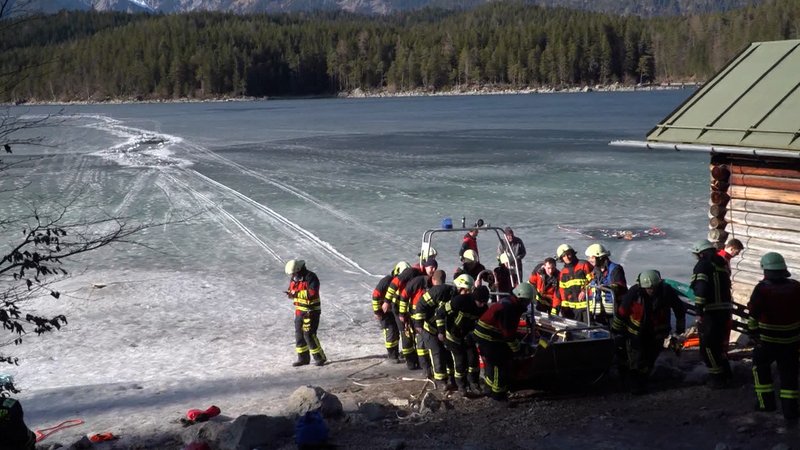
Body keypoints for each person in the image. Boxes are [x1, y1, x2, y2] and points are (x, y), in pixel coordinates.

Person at [611, 270, 686, 394]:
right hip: (636, 334)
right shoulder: (635, 292)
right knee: (636, 360)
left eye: (653, 288)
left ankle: (640, 382)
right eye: (648, 288)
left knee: (650, 359)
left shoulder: (666, 291)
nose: (650, 290)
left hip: (657, 334)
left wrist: (680, 329)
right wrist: (616, 331)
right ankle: (635, 385)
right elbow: (622, 312)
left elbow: (679, 309)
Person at [747, 252, 800, 421]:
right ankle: (790, 410)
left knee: (760, 370)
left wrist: (753, 333)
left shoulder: (762, 289)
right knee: (789, 375)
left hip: (767, 340)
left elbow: (753, 313)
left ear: (766, 270)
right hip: (791, 340)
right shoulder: (796, 286)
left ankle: (765, 404)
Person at [474, 282, 536, 403]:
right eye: (528, 301)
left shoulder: (509, 302)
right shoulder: (510, 308)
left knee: (491, 365)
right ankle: (499, 395)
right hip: (489, 338)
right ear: (522, 298)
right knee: (500, 365)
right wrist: (518, 349)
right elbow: (508, 335)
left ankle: (489, 389)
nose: (529, 304)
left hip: (486, 336)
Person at [689, 239, 733, 388]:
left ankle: (717, 378)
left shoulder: (703, 265)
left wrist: (698, 312)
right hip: (725, 310)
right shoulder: (721, 263)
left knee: (707, 347)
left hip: (710, 312)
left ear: (700, 253)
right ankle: (727, 374)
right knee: (719, 345)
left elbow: (701, 290)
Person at [437, 277, 490, 395]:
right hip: (453, 335)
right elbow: (440, 313)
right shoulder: (460, 301)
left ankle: (474, 384)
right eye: (480, 302)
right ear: (475, 298)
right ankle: (461, 386)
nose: (481, 305)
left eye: (484, 302)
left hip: (468, 335)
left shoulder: (484, 308)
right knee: (460, 361)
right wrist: (441, 331)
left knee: (473, 360)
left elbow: (483, 325)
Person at [413, 269, 456, 387]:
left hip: (436, 328)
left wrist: (418, 325)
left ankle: (446, 380)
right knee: (441, 352)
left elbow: (420, 305)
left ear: (433, 279)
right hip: (433, 328)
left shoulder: (434, 292)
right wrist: (419, 325)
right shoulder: (450, 290)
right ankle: (443, 381)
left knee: (439, 353)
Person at [385, 260, 427, 369]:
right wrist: (386, 301)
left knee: (413, 334)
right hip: (399, 308)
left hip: (407, 309)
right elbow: (396, 287)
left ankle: (417, 359)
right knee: (406, 333)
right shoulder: (408, 275)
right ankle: (410, 362)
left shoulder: (420, 276)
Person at [285, 259, 326, 367]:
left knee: (309, 334)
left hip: (311, 311)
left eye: (293, 273)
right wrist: (290, 294)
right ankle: (303, 358)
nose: (292, 276)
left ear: (299, 270)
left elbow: (312, 293)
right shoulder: (294, 279)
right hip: (299, 311)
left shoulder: (311, 277)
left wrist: (296, 293)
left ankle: (320, 358)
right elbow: (292, 291)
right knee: (299, 334)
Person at [399, 259, 438, 372]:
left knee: (427, 340)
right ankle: (423, 366)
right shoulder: (418, 281)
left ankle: (428, 366)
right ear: (425, 267)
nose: (433, 270)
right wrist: (402, 313)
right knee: (419, 341)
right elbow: (404, 296)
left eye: (435, 268)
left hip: (429, 316)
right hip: (415, 315)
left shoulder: (434, 282)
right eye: (431, 267)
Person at [372, 262, 409, 363]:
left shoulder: (402, 282)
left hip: (393, 310)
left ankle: (396, 354)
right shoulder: (386, 281)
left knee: (396, 331)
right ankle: (392, 356)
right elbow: (375, 295)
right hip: (384, 311)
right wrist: (377, 312)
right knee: (390, 331)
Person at [585, 243, 628, 325]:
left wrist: (606, 287)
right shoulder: (595, 271)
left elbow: (620, 286)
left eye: (592, 257)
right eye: (589, 257)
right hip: (598, 312)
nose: (589, 260)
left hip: (613, 312)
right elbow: (588, 282)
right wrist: (584, 291)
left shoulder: (615, 269)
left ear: (600, 257)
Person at [553, 244, 593, 322]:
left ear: (572, 253)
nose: (567, 257)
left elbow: (593, 280)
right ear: (561, 258)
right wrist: (555, 309)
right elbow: (559, 292)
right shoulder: (562, 273)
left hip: (586, 308)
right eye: (564, 256)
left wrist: (584, 291)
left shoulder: (584, 265)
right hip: (570, 311)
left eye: (568, 254)